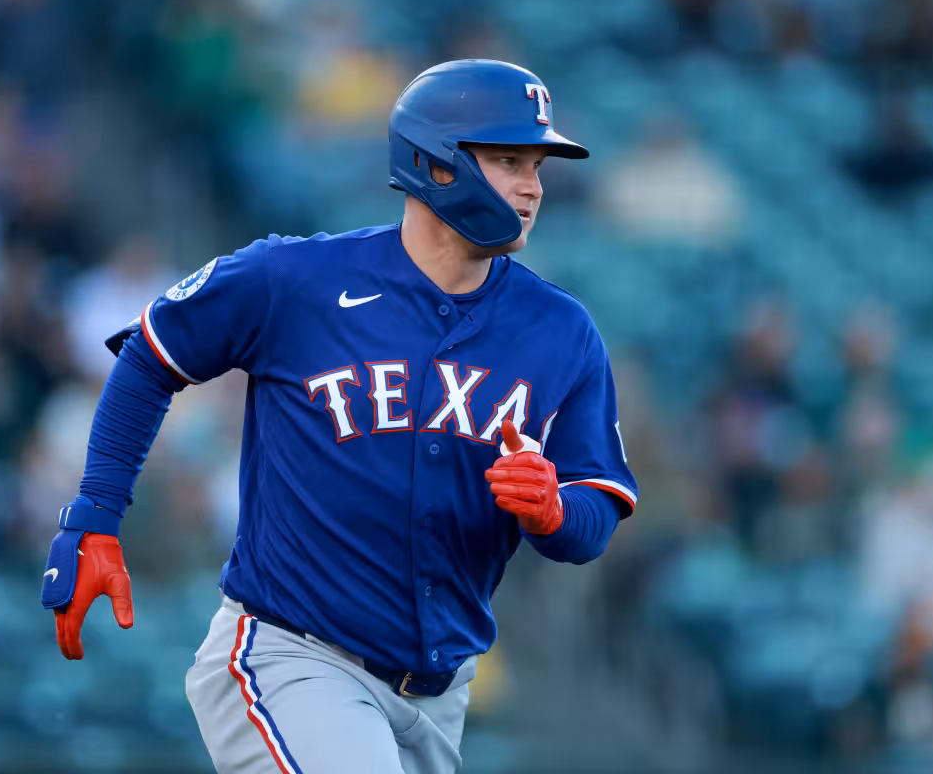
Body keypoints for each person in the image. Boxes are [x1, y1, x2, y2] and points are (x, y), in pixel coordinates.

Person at [40, 59, 638, 774]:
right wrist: (95, 514)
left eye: (537, 164)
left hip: (441, 694)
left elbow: (595, 510)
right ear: (437, 164)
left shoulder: (561, 331)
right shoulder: (296, 281)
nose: (533, 186)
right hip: (294, 655)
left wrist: (554, 514)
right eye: (510, 160)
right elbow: (151, 356)